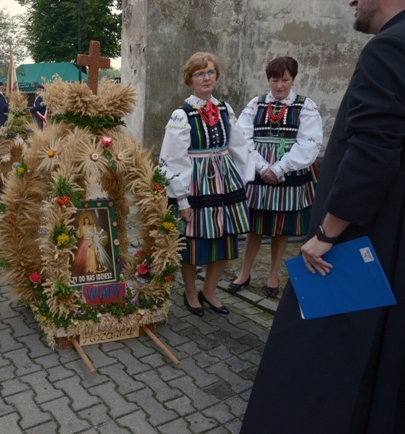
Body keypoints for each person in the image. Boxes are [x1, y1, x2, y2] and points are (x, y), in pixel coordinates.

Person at [241, 1, 405, 432]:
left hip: (361, 238)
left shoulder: (389, 48)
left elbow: (372, 150)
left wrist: (328, 233)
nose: (350, 1)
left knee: (321, 353)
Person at [159, 52, 253, 317]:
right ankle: (190, 292)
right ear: (190, 79)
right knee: (192, 242)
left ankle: (209, 291)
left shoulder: (225, 109)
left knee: (225, 239)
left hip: (226, 183)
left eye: (211, 72)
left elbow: (239, 147)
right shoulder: (181, 115)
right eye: (200, 73)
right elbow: (172, 159)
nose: (207, 77)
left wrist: (243, 181)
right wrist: (182, 199)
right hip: (196, 184)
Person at [228, 57, 322, 297]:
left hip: (290, 174)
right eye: (274, 80)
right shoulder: (255, 104)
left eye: (284, 80)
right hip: (259, 173)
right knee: (255, 227)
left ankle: (272, 275)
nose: (279, 85)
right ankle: (244, 272)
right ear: (268, 79)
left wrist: (279, 169)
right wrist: (262, 168)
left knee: (281, 228)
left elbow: (309, 144)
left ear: (293, 79)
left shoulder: (306, 106)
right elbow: (242, 137)